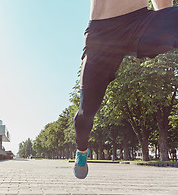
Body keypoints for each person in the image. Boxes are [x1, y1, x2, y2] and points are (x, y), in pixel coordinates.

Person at [74, 0, 176, 179]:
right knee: (86, 112)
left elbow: (165, 11)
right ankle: (81, 150)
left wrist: (166, 29)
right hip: (102, 34)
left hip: (140, 22)